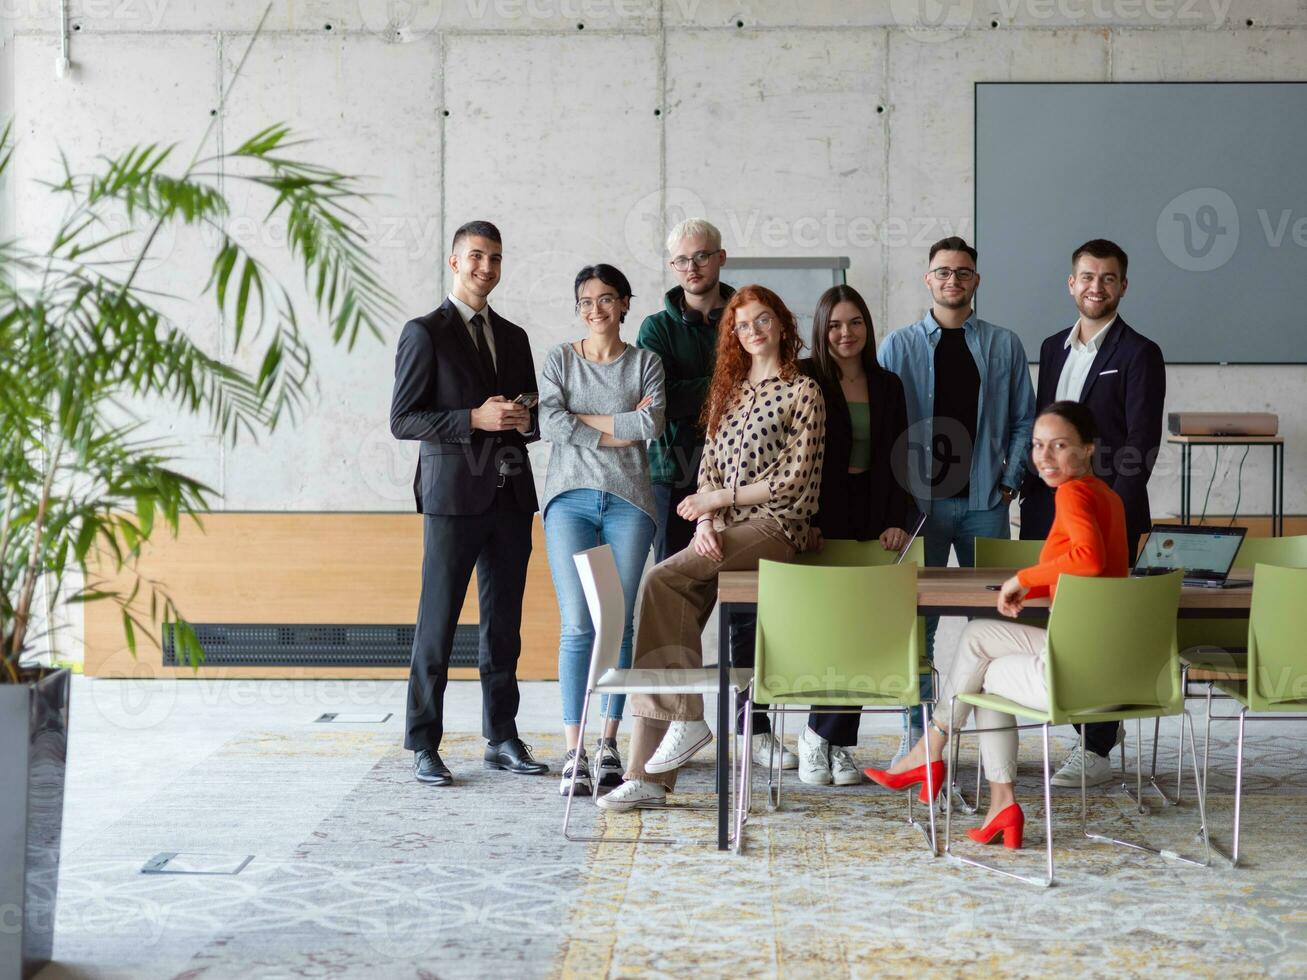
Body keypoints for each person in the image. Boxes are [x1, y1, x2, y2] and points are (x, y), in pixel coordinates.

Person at [597, 285, 826, 810]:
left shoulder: (802, 390)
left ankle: (689, 718)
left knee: (662, 579)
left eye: (763, 320)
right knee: (667, 608)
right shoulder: (729, 390)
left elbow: (796, 479)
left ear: (782, 323)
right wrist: (708, 520)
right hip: (725, 529)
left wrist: (720, 501)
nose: (754, 332)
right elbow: (709, 469)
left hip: (776, 527)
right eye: (743, 326)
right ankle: (647, 776)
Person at [865, 401, 1130, 847]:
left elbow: (1089, 559)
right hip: (1113, 668)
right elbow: (1096, 577)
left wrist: (1023, 577)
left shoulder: (1073, 493)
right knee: (977, 636)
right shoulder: (1109, 496)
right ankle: (996, 801)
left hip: (1074, 675)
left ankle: (932, 752)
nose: (1044, 457)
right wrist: (1034, 588)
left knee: (982, 676)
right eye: (1037, 445)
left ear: (1088, 449)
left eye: (1060, 446)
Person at [389, 220, 548, 786]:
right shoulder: (423, 333)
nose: (487, 267)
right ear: (455, 262)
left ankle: (501, 737)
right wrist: (472, 418)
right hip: (452, 498)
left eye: (496, 258)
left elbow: (529, 421)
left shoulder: (515, 336)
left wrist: (521, 419)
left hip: (509, 495)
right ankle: (423, 743)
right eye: (477, 256)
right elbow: (403, 419)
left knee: (504, 627)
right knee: (437, 624)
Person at [636, 218, 794, 770]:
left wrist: (718, 384)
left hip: (751, 493)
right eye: (681, 260)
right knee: (680, 593)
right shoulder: (656, 328)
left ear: (721, 258)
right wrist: (735, 379)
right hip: (676, 479)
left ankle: (753, 727)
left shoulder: (745, 313)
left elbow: (705, 393)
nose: (692, 268)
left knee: (747, 610)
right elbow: (660, 401)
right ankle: (678, 724)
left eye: (701, 257)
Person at [878, 236, 1035, 764]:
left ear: (976, 281)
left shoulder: (1004, 344)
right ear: (928, 279)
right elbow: (882, 428)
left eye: (962, 272)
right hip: (920, 508)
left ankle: (992, 747)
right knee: (913, 625)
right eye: (943, 272)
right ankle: (916, 737)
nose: (952, 281)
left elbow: (1022, 419)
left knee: (994, 623)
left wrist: (1011, 477)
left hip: (984, 503)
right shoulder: (897, 346)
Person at [1019, 239, 1166, 788]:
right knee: (1058, 625)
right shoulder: (1053, 346)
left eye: (1107, 279)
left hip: (1109, 517)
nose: (1095, 287)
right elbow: (1047, 433)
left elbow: (1139, 444)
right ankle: (1084, 733)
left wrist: (1115, 519)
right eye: (1086, 277)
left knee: (1100, 632)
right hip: (1053, 509)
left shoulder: (1138, 353)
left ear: (1123, 287)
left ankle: (1097, 748)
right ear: (1071, 283)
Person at [539, 264, 665, 797]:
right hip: (567, 503)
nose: (596, 310)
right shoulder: (559, 360)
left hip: (630, 504)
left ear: (625, 304)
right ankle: (575, 750)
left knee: (620, 624)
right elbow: (550, 423)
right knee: (577, 626)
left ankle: (610, 744)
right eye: (586, 301)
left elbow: (651, 425)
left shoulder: (645, 362)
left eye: (607, 299)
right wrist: (618, 427)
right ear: (578, 307)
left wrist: (585, 419)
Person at [794, 284, 916, 787]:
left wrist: (899, 520)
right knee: (830, 631)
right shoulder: (804, 377)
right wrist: (803, 519)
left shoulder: (888, 384)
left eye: (856, 323)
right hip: (820, 519)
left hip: (873, 518)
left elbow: (901, 455)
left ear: (868, 327)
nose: (846, 334)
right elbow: (795, 454)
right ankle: (817, 736)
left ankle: (837, 742)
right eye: (836, 325)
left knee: (861, 630)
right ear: (822, 330)